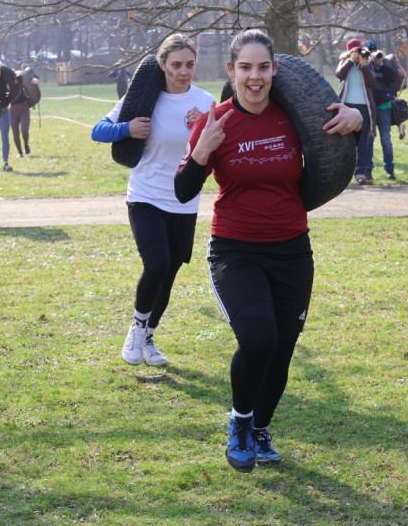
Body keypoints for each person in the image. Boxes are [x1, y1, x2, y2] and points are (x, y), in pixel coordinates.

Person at [174, 29, 362, 472]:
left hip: (292, 249)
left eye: (262, 67)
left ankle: (261, 427)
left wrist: (356, 119)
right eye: (245, 68)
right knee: (259, 337)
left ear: (275, 71)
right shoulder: (215, 121)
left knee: (282, 348)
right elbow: (183, 192)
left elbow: (338, 135)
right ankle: (239, 423)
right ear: (231, 71)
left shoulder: (294, 116)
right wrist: (201, 151)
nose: (254, 77)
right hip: (235, 249)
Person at [91, 34, 216, 367]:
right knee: (157, 264)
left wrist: (200, 129)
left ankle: (148, 336)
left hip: (185, 201)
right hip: (145, 196)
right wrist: (127, 128)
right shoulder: (145, 98)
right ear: (162, 65)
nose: (183, 72)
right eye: (175, 65)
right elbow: (97, 130)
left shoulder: (205, 102)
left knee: (170, 272)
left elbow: (218, 151)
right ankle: (136, 327)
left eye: (189, 64)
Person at [334, 38, 376, 184]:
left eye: (360, 50)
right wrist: (351, 61)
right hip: (347, 105)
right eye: (355, 51)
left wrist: (364, 66)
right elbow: (339, 74)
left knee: (362, 140)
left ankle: (360, 172)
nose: (358, 54)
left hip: (364, 107)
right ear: (350, 52)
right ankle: (343, 172)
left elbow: (372, 83)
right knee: (345, 139)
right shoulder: (345, 63)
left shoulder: (367, 64)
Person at [366, 42, 404, 180]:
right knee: (368, 140)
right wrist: (369, 63)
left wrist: (381, 65)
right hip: (369, 107)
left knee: (386, 139)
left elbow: (395, 78)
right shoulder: (366, 66)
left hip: (384, 107)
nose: (376, 57)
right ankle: (367, 170)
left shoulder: (385, 66)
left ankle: (389, 170)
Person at [9, 66, 37, 157]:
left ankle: (26, 144)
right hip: (13, 110)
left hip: (24, 108)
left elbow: (32, 77)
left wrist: (35, 80)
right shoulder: (5, 84)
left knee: (24, 130)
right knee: (15, 133)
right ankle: (20, 152)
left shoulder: (20, 80)